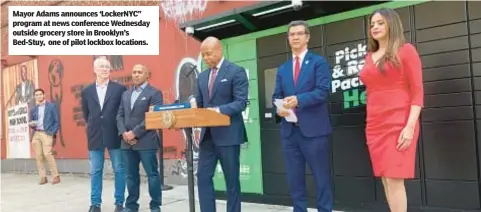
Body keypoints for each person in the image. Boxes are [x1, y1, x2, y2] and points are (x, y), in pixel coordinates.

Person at [359, 8, 423, 212]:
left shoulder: (406, 50)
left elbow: (418, 91)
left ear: (391, 24)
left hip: (399, 123)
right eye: (372, 24)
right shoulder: (370, 55)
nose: (375, 27)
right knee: (386, 179)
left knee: (395, 180)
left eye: (380, 23)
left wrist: (410, 126)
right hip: (374, 125)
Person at [272, 20, 333, 212]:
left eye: (299, 33)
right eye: (292, 34)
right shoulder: (282, 69)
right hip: (290, 133)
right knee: (294, 180)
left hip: (314, 132)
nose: (295, 37)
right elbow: (276, 96)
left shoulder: (318, 62)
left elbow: (323, 91)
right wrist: (279, 109)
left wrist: (298, 100)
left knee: (321, 178)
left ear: (307, 37)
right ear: (288, 38)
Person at [194, 36, 249, 212]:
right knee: (203, 177)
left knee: (231, 181)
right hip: (208, 137)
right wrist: (193, 105)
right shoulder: (202, 76)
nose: (206, 58)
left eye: (208, 54)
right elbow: (200, 104)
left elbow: (240, 102)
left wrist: (217, 111)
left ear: (219, 50)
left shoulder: (235, 71)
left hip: (229, 135)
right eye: (203, 55)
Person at [81, 58, 127, 212]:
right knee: (95, 171)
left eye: (107, 67)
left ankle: (119, 203)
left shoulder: (119, 89)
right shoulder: (86, 91)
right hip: (95, 135)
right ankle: (95, 204)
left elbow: (123, 112)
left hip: (115, 134)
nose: (105, 69)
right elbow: (87, 114)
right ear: (94, 69)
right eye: (101, 66)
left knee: (119, 169)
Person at [116, 64, 163, 212]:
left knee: (152, 175)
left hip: (146, 141)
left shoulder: (154, 93)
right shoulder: (126, 94)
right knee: (131, 176)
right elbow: (120, 115)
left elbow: (153, 117)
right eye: (134, 72)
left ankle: (155, 206)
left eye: (139, 72)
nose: (136, 74)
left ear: (147, 75)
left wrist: (134, 133)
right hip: (126, 143)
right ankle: (131, 206)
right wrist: (124, 133)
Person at [29, 88, 61, 185]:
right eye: (37, 95)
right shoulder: (33, 109)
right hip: (36, 133)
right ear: (35, 97)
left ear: (44, 95)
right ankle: (43, 177)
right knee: (38, 156)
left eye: (40, 94)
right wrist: (31, 124)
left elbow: (57, 121)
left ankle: (56, 176)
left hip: (47, 133)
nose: (39, 96)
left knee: (47, 154)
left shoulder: (51, 106)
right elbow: (31, 122)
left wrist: (52, 132)